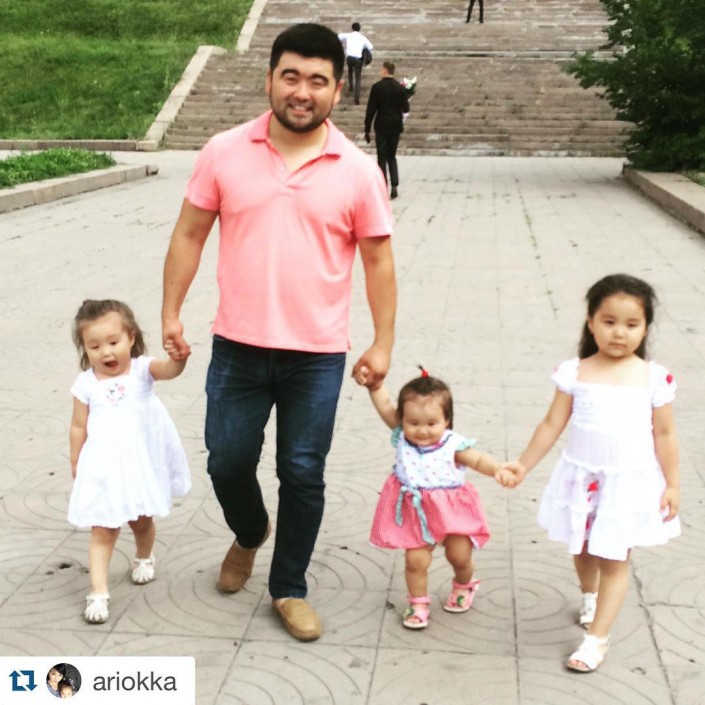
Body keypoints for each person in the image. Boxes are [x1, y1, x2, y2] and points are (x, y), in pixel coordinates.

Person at [161, 22, 396, 642]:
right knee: (227, 461)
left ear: (337, 90)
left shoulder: (358, 170)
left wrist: (382, 342)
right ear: (269, 79)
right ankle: (249, 531)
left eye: (317, 80)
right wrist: (170, 313)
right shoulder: (224, 151)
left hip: (316, 355)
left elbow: (378, 260)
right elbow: (189, 233)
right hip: (237, 345)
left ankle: (289, 587)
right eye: (290, 76)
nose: (302, 91)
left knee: (303, 472)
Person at [507, 274, 681, 672]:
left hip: (627, 484)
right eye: (609, 321)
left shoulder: (654, 378)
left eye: (631, 324)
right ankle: (590, 595)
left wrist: (672, 484)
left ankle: (596, 640)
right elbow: (551, 424)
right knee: (582, 546)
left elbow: (665, 434)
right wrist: (523, 464)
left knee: (614, 557)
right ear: (590, 322)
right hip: (582, 480)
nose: (619, 332)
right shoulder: (575, 372)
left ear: (645, 328)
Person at [356, 367, 518, 629]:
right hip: (416, 512)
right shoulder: (402, 437)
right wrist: (375, 387)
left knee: (459, 556)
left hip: (451, 512)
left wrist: (497, 469)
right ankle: (418, 603)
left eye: (432, 424)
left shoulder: (453, 445)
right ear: (402, 419)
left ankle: (464, 584)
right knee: (415, 561)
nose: (422, 431)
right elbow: (385, 406)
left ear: (447, 420)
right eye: (413, 423)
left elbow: (477, 459)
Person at [69, 299, 191, 624]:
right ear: (85, 348)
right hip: (104, 467)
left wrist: (178, 358)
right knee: (103, 528)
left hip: (138, 465)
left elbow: (169, 371)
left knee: (141, 521)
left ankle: (144, 555)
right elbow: (78, 425)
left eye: (113, 342)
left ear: (131, 338)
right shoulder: (86, 384)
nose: (105, 353)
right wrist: (76, 459)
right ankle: (98, 593)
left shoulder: (141, 370)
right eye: (94, 346)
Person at [364, 61, 410, 200]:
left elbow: (371, 109)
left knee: (382, 157)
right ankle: (394, 185)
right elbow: (406, 108)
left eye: (381, 69)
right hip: (395, 125)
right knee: (392, 156)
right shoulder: (400, 88)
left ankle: (383, 186)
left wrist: (367, 128)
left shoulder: (377, 87)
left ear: (385, 70)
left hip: (381, 125)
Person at [338, 22, 373, 104]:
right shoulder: (362, 37)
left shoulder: (348, 35)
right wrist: (363, 47)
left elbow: (339, 36)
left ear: (352, 28)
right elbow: (370, 46)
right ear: (359, 29)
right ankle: (357, 97)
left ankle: (351, 86)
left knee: (350, 70)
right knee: (358, 78)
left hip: (349, 57)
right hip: (358, 59)